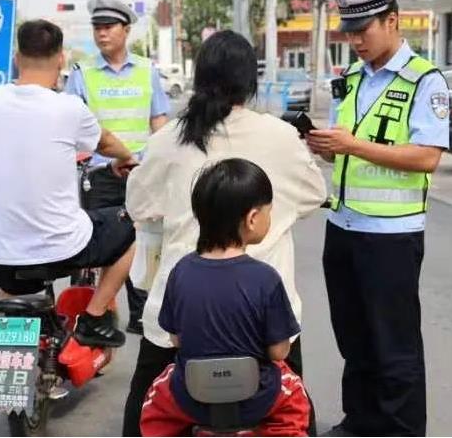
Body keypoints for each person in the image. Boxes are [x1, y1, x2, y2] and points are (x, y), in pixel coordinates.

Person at [123, 30, 327, 436]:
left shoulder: (169, 138)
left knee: (143, 414)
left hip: (182, 310)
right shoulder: (281, 136)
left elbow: (140, 207)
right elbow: (312, 196)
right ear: (249, 81)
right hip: (265, 317)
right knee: (296, 413)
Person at [306, 0, 449, 437]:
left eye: (363, 30)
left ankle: (401, 429)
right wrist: (326, 147)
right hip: (343, 226)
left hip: (392, 235)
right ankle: (361, 421)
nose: (355, 40)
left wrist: (352, 145)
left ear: (393, 22)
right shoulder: (352, 78)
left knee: (394, 345)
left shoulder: (424, 80)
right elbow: (347, 149)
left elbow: (426, 156)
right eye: (349, 32)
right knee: (355, 337)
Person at [0, 19, 139, 348]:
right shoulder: (68, 108)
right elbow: (105, 143)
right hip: (65, 248)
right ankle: (94, 319)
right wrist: (125, 158)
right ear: (61, 59)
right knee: (133, 226)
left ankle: (7, 350)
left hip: (5, 253)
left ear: (16, 57)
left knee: (11, 290)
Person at [140, 159, 311, 437]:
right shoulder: (265, 278)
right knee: (294, 400)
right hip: (258, 399)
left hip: (191, 399)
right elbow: (279, 351)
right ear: (252, 219)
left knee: (155, 408)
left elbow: (176, 340)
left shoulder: (180, 272)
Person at [65, 0, 171, 336]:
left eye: (108, 27)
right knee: (101, 246)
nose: (101, 34)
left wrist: (163, 161)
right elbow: (71, 126)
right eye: (97, 28)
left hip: (140, 172)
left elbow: (159, 120)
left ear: (126, 30)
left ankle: (140, 315)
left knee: (144, 242)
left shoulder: (147, 70)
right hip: (99, 174)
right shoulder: (82, 73)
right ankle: (94, 318)